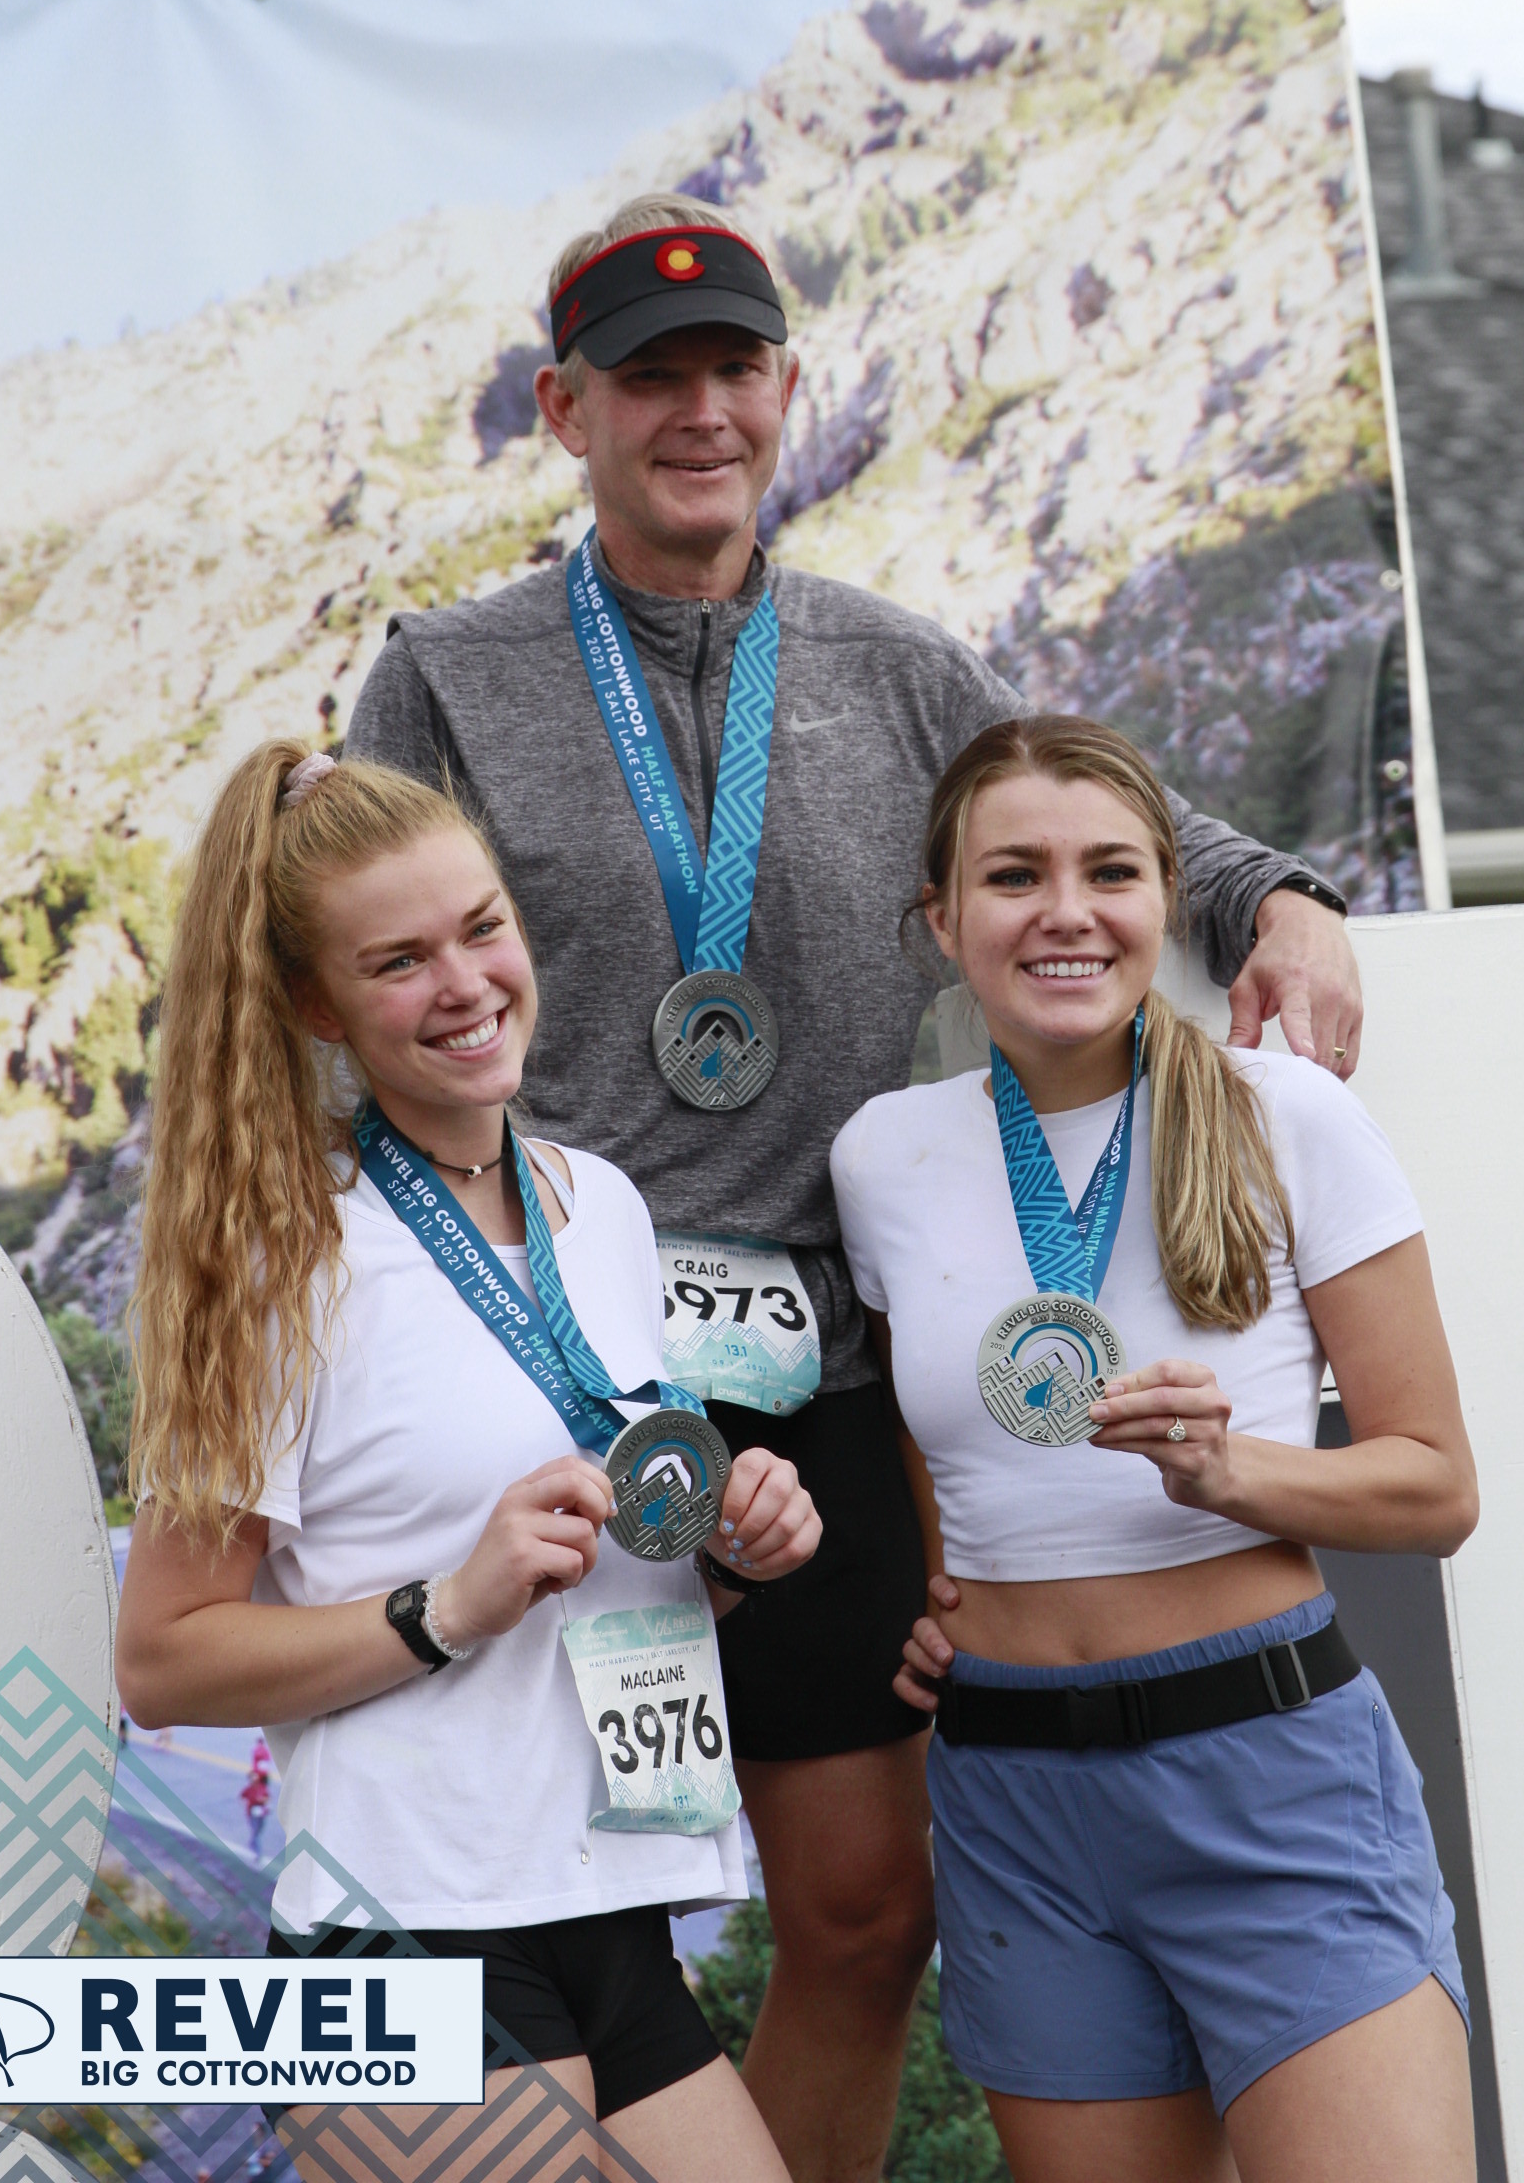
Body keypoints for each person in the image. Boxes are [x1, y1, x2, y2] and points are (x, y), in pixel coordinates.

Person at [344, 190, 1366, 2183]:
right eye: (650, 379)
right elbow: (342, 973)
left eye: (735, 369)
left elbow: (1112, 825)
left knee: (867, 1914)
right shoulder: (446, 678)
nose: (700, 412)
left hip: (822, 1398)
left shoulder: (900, 669)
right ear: (564, 411)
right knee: (564, 1917)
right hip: (551, 1391)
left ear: (788, 389)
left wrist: (1286, 900)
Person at [114, 743, 819, 2183]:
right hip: (405, 1921)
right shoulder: (273, 1257)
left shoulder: (601, 1207)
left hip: (609, 1901)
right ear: (317, 1005)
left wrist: (734, 1547)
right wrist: (445, 1607)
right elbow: (164, 1659)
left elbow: (614, 1576)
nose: (466, 983)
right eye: (400, 961)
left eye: (481, 928)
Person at [830, 713, 1478, 2183]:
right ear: (942, 920)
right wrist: (950, 1588)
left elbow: (1438, 1484)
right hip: (1011, 1797)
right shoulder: (882, 1154)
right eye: (1014, 876)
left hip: (1269, 1775)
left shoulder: (1288, 1115)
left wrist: (1233, 1472)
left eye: (1110, 871)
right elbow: (935, 1432)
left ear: (1166, 898)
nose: (1065, 912)